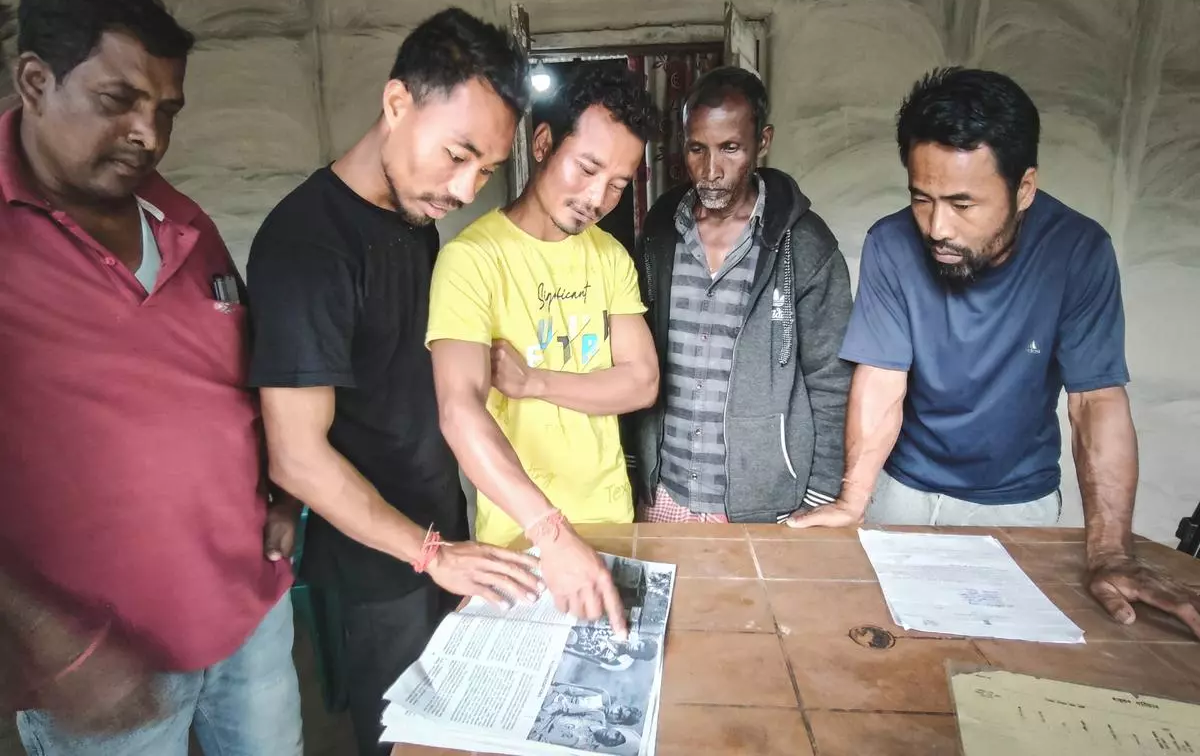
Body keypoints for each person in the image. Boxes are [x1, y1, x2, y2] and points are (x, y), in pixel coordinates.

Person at [0, 0, 303, 754]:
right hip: (102, 663)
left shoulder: (178, 215)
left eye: (166, 110)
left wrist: (281, 488)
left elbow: (236, 376)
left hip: (247, 610)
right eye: (118, 101)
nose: (150, 134)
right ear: (34, 80)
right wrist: (46, 640)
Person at [790, 67, 1200, 639]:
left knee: (1003, 664)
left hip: (1014, 503)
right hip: (901, 490)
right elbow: (882, 378)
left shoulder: (1079, 252)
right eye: (922, 199)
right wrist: (854, 500)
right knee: (891, 653)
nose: (937, 227)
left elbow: (1095, 401)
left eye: (963, 203)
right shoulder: (891, 244)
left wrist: (1109, 550)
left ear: (1024, 188)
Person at [245, 8, 541, 755]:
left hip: (439, 529)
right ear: (397, 103)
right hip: (380, 566)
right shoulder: (307, 245)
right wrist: (430, 553)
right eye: (458, 155)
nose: (467, 187)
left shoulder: (414, 221)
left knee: (461, 727)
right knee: (401, 739)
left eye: (485, 170)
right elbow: (297, 455)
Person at [426, 64, 659, 632]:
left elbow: (641, 382)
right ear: (543, 143)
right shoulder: (472, 260)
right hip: (521, 537)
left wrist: (535, 383)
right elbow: (459, 411)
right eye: (587, 169)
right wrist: (550, 533)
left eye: (619, 184)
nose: (597, 198)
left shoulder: (608, 257)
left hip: (609, 520)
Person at [627, 66, 853, 523]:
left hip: (764, 504)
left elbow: (833, 381)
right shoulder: (660, 232)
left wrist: (822, 494)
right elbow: (633, 353)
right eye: (697, 149)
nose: (711, 170)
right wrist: (636, 467)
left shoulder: (805, 244)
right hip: (664, 493)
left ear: (762, 141)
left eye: (730, 148)